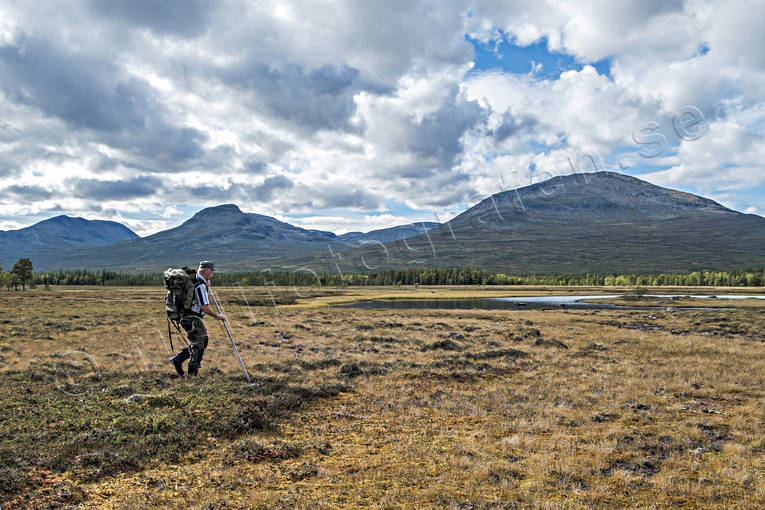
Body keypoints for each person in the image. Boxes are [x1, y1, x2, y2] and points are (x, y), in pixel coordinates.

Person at [169, 261, 225, 376]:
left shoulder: (195, 281)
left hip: (187, 317)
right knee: (199, 344)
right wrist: (217, 316)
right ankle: (192, 374)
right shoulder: (200, 285)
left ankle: (178, 359)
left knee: (201, 342)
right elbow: (204, 307)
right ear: (207, 271)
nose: (212, 274)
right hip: (192, 318)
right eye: (212, 272)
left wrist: (206, 283)